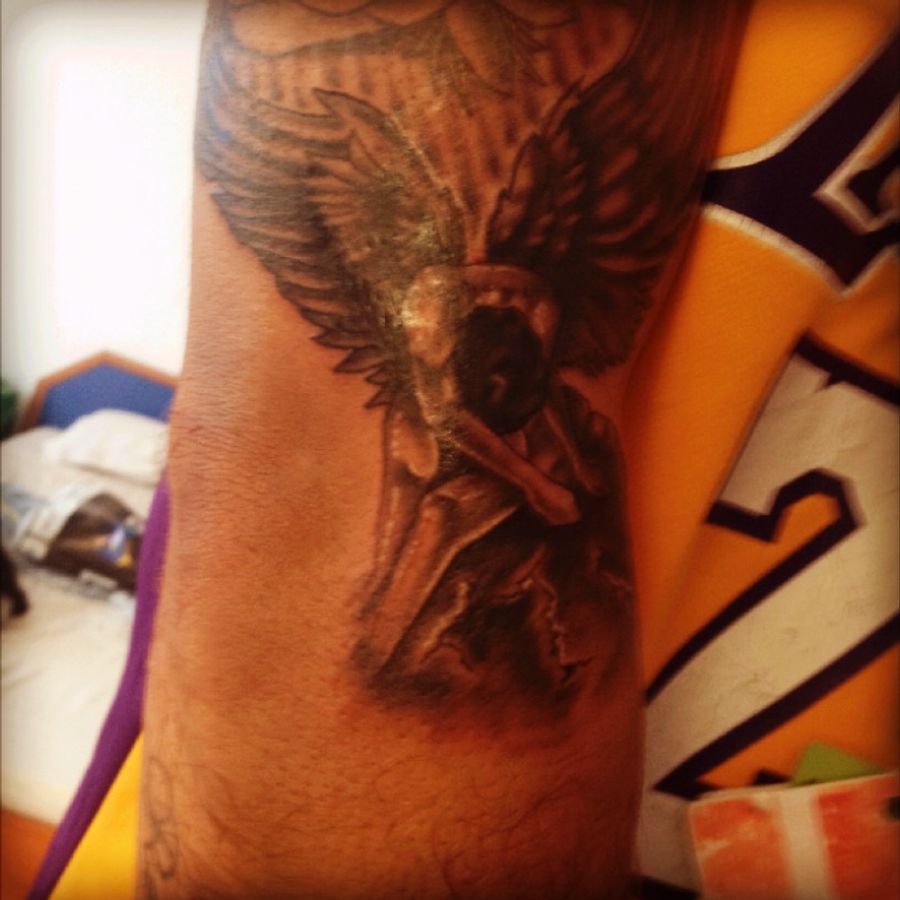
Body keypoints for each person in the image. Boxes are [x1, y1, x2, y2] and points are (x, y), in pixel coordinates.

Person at [35, 0, 898, 897]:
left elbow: (530, 403)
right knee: (417, 592)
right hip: (381, 800)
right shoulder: (440, 317)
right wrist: (534, 483)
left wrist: (544, 473)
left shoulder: (520, 311)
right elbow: (319, 447)